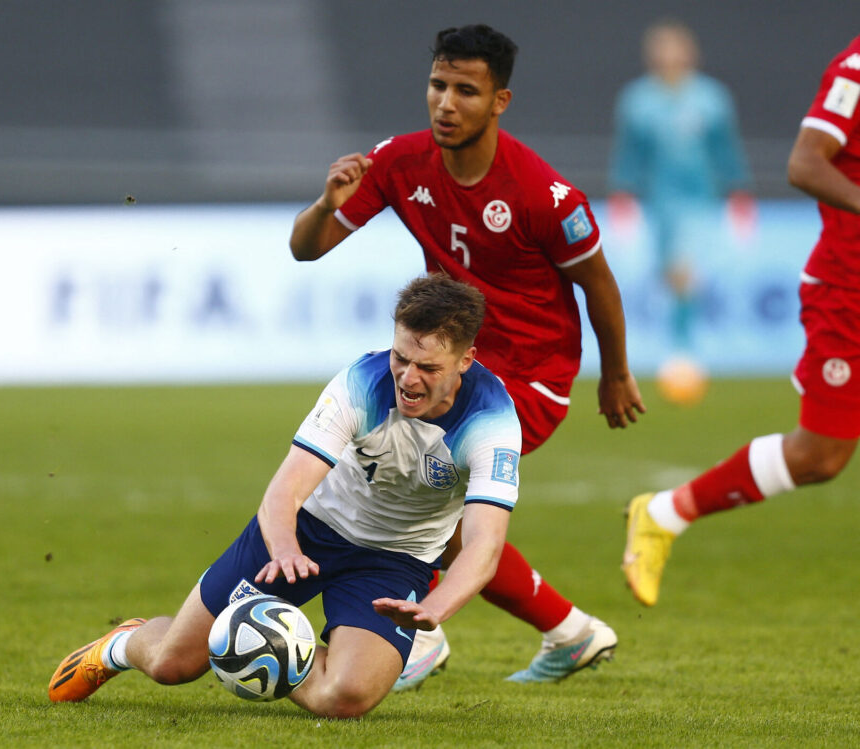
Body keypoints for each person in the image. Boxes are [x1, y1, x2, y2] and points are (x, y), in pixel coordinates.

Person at [289, 23, 642, 686]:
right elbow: (308, 247)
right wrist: (322, 203)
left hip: (530, 378)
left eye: (466, 91)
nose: (446, 103)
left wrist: (615, 373)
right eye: (438, 85)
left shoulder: (544, 194)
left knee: (417, 481)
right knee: (422, 493)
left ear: (498, 101)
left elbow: (599, 283)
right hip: (453, 365)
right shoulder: (400, 161)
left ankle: (421, 636)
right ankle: (568, 630)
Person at [49, 274, 534, 719]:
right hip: (307, 531)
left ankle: (256, 650)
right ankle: (122, 644)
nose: (407, 378)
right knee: (172, 665)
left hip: (395, 560)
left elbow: (484, 545)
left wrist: (436, 606)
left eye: (427, 367)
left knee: (345, 699)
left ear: (466, 361)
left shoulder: (492, 422)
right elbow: (284, 490)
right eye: (400, 357)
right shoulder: (360, 383)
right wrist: (284, 548)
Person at [623, 34, 860, 607]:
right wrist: (629, 196)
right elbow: (805, 163)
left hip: (706, 199)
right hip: (849, 289)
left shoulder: (710, 98)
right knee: (820, 456)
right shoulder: (856, 67)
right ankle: (665, 513)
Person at [608, 20, 753, 376]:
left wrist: (739, 191)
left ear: (691, 53)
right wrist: (621, 194)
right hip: (658, 202)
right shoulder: (637, 101)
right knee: (667, 273)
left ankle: (683, 350)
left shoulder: (711, 98)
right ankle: (674, 342)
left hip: (699, 200)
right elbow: (628, 154)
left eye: (676, 48)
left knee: (684, 269)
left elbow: (726, 150)